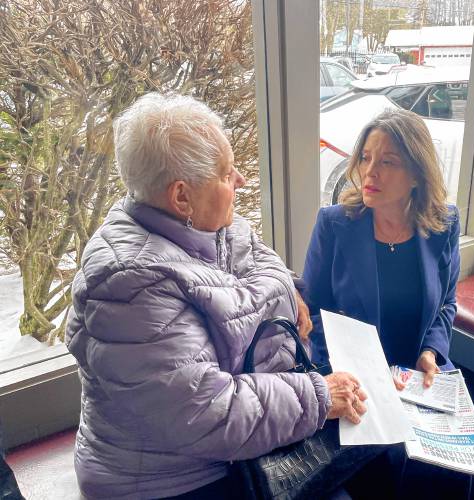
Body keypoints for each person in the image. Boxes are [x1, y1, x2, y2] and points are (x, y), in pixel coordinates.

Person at [65, 93, 367, 499]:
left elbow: (256, 263)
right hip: (173, 477)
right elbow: (203, 413)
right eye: (226, 174)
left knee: (388, 461)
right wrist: (318, 396)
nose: (240, 180)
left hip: (238, 435)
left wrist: (289, 290)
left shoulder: (206, 222)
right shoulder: (127, 281)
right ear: (181, 196)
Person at [303, 109, 474, 498]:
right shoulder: (335, 224)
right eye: (366, 158)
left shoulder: (443, 224)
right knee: (390, 462)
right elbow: (314, 312)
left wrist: (432, 351)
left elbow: (446, 302)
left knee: (451, 465)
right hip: (356, 377)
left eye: (388, 162)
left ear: (417, 174)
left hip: (419, 373)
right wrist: (343, 374)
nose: (371, 172)